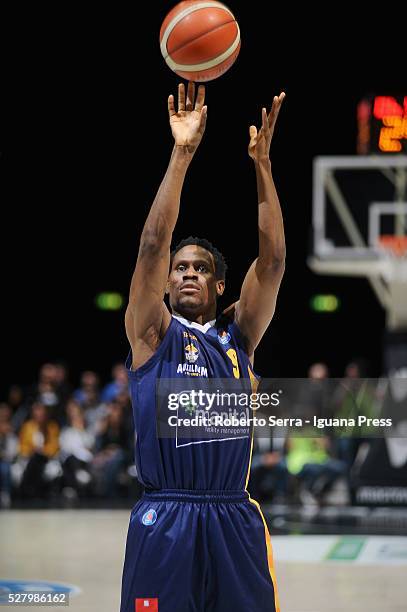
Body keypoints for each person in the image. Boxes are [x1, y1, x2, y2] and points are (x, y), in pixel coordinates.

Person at [121, 82, 285, 612]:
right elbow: (151, 246)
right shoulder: (153, 334)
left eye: (201, 268)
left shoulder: (239, 337)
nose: (188, 272)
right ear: (167, 285)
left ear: (220, 286)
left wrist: (262, 164)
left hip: (233, 515)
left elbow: (275, 262)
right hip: (166, 518)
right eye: (180, 268)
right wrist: (182, 153)